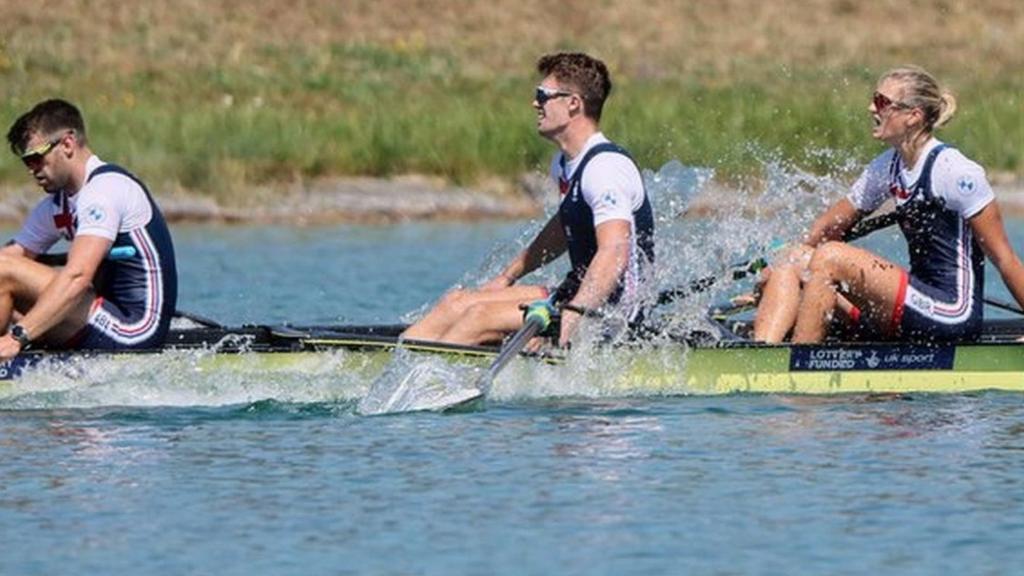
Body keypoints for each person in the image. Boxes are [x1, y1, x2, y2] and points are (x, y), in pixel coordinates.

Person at [754, 66, 1024, 344]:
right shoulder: (886, 167)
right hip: (914, 307)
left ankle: (800, 368)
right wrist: (772, 273)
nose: (871, 107)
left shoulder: (955, 172)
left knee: (831, 256)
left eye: (882, 102)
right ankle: (761, 360)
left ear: (913, 116)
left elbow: (1005, 259)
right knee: (789, 260)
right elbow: (827, 227)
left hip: (950, 314)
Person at [402, 52, 654, 347]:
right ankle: (391, 366)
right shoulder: (564, 163)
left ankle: (428, 381)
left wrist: (575, 312)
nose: (536, 103)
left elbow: (614, 252)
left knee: (480, 316)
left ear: (573, 103)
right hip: (577, 294)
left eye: (543, 95)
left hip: (614, 315)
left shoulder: (605, 168)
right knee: (457, 303)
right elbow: (563, 227)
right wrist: (507, 277)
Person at [0, 99, 177, 359]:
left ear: (68, 144)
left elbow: (77, 277)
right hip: (99, 315)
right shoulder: (56, 207)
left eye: (36, 158)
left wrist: (18, 337)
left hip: (135, 331)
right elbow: (13, 257)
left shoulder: (104, 190)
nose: (32, 170)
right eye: (27, 163)